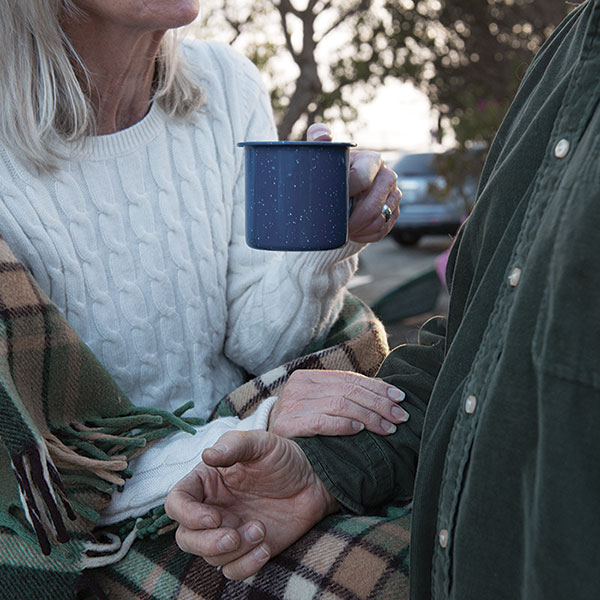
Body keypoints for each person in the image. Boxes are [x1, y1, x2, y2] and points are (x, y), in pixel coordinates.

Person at [165, 0, 600, 598]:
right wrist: (323, 471)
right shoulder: (570, 52)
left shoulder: (225, 82)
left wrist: (323, 247)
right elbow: (475, 342)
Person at [0, 0, 406, 531]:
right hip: (97, 531)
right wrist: (256, 427)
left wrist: (327, 238)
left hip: (244, 456)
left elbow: (258, 348)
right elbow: (42, 480)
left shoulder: (227, 82)